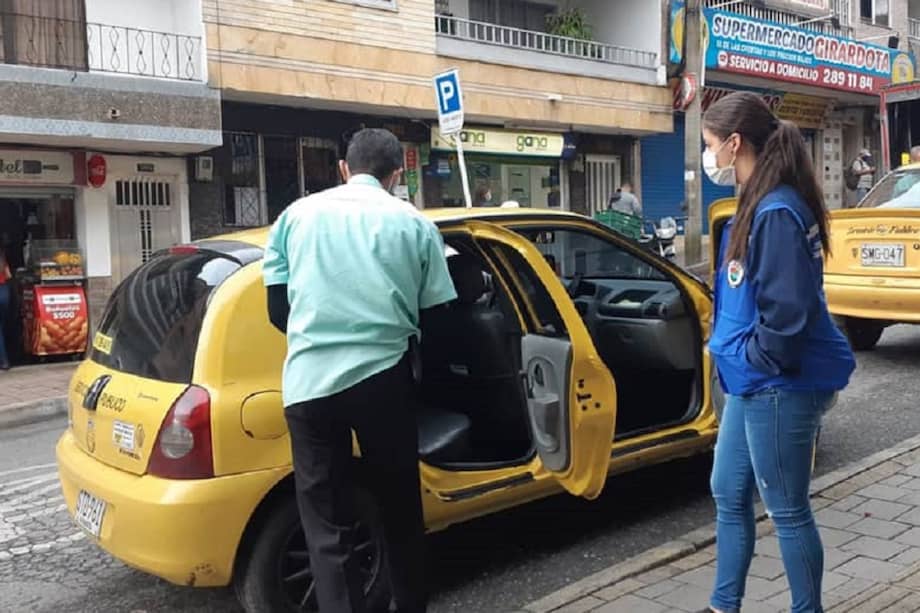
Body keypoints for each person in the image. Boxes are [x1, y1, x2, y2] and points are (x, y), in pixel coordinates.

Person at [263, 128, 457, 613]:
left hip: (307, 385)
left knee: (325, 523)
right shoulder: (413, 225)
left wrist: (320, 338)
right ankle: (409, 605)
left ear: (344, 169)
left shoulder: (293, 218)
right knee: (399, 507)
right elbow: (439, 317)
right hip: (382, 379)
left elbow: (276, 310)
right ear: (396, 175)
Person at [700, 91, 856, 613]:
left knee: (787, 509)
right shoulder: (763, 201)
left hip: (778, 383)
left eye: (710, 145)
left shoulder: (776, 210)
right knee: (727, 490)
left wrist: (752, 359)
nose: (710, 158)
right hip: (753, 381)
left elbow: (786, 318)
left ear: (735, 143)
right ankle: (725, 604)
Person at [0, 246, 10, 370]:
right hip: (3, 292)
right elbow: (8, 275)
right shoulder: (2, 259)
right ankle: (5, 361)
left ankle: (4, 360)